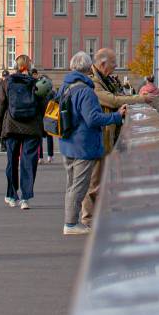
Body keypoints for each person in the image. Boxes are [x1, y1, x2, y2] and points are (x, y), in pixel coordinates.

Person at [57, 52, 122, 237]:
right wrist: (116, 116)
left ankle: (71, 221)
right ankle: (71, 223)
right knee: (80, 186)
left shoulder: (65, 86)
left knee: (71, 185)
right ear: (88, 69)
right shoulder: (85, 91)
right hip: (83, 144)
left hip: (67, 142)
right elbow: (92, 119)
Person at [80, 47, 144, 228]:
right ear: (102, 64)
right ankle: (88, 218)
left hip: (108, 135)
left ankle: (101, 215)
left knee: (104, 178)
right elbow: (112, 100)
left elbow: (118, 97)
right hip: (99, 135)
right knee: (94, 180)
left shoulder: (105, 79)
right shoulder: (93, 82)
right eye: (114, 64)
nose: (116, 68)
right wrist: (141, 99)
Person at [0, 54, 43, 209]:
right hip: (31, 126)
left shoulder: (7, 82)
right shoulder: (35, 83)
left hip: (12, 126)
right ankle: (25, 197)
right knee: (28, 161)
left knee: (12, 161)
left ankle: (11, 194)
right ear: (29, 66)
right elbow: (43, 105)